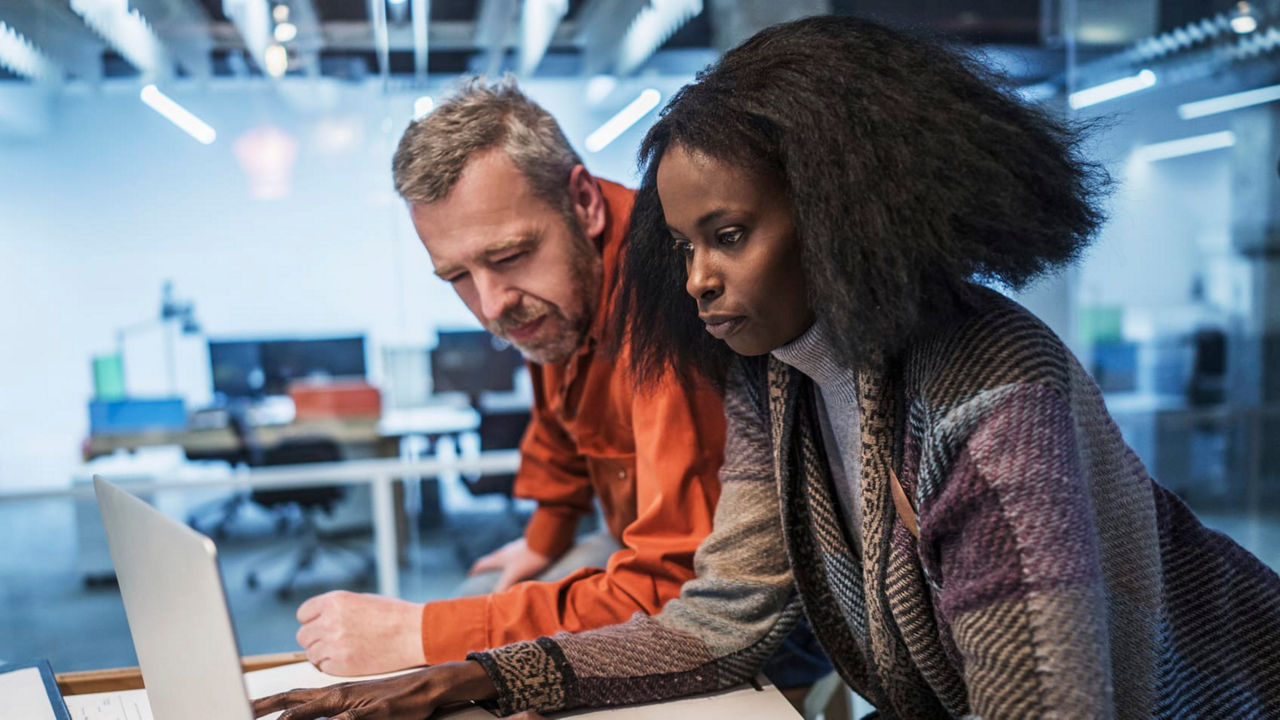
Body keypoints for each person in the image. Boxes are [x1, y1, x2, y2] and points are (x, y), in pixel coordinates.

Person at [255, 16, 1280, 720]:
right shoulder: (778, 373)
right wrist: (474, 679)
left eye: (728, 235)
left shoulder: (991, 398)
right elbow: (720, 620)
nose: (695, 283)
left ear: (843, 212)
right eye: (685, 244)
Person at [285, 78, 730, 677]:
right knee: (487, 598)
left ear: (585, 203)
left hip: (717, 604)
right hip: (633, 546)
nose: (490, 305)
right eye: (458, 277)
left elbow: (679, 591)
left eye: (508, 256)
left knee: (453, 655)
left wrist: (420, 633)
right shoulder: (559, 291)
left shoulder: (664, 302)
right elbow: (562, 422)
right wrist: (543, 537)